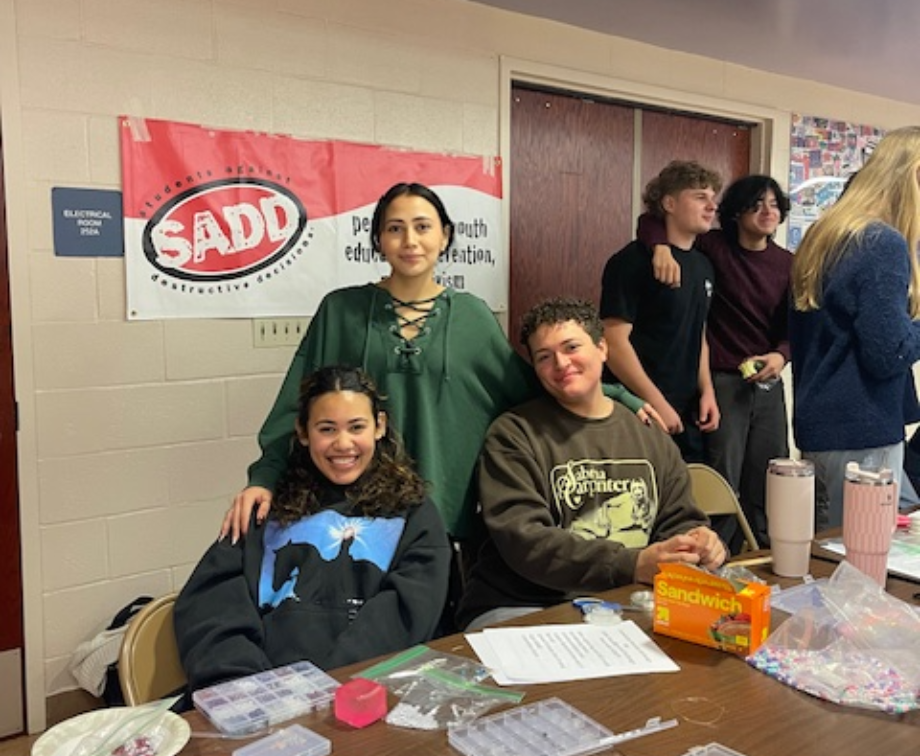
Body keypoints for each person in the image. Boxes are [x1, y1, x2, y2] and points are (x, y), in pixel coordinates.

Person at [221, 182, 656, 551]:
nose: (410, 240)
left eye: (423, 227)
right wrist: (264, 477)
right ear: (378, 240)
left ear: (445, 236)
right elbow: (296, 408)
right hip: (353, 516)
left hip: (445, 519)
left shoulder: (471, 316)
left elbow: (532, 390)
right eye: (395, 229)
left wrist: (614, 393)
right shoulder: (342, 311)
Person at [175, 365, 451, 692]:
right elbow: (212, 608)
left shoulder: (413, 515)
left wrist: (328, 687)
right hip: (258, 698)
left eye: (356, 427)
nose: (343, 443)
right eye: (327, 429)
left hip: (360, 695)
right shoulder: (264, 509)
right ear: (304, 432)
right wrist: (247, 687)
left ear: (379, 427)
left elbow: (405, 617)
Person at [457, 298, 726, 631]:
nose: (560, 363)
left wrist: (698, 544)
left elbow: (679, 519)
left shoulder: (648, 434)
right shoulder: (513, 434)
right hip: (524, 604)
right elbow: (526, 541)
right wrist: (633, 564)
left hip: (623, 602)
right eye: (544, 357)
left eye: (571, 347)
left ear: (602, 348)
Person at [637, 175, 793, 547]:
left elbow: (795, 328)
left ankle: (761, 555)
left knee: (770, 475)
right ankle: (714, 554)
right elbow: (650, 221)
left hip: (768, 382)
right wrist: (660, 249)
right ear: (737, 212)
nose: (767, 212)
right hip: (722, 380)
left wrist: (780, 355)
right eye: (756, 204)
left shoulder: (788, 263)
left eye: (773, 204)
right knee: (723, 476)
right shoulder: (714, 247)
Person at [790, 125, 920, 529]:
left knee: (832, 557)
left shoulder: (825, 234)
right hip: (861, 428)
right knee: (858, 567)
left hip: (824, 424)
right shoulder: (883, 243)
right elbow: (889, 353)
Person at [599, 160, 723, 462]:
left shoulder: (703, 264)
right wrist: (656, 403)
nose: (711, 206)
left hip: (687, 409)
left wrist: (707, 390)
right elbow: (613, 343)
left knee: (689, 500)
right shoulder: (632, 261)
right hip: (638, 406)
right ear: (669, 203)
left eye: (713, 198)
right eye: (699, 197)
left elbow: (699, 332)